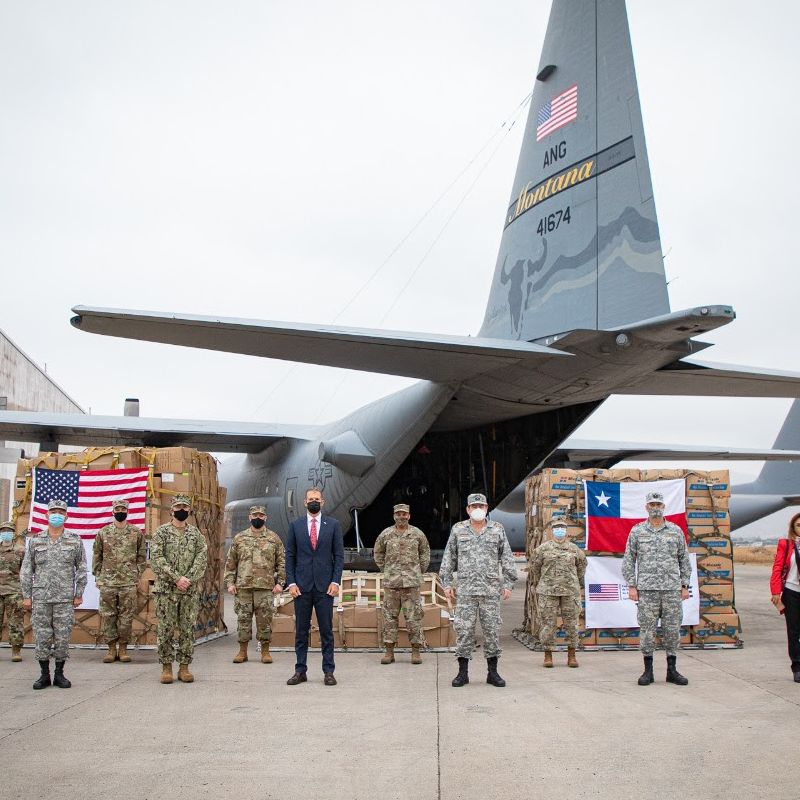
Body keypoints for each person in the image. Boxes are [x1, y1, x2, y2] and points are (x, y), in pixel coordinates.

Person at [439, 493, 518, 688]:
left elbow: (507, 558)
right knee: (464, 632)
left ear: (487, 508)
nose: (477, 509)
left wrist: (508, 584)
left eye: (481, 506)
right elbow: (449, 558)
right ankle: (462, 673)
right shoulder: (458, 530)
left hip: (490, 592)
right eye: (474, 505)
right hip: (465, 591)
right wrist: (447, 584)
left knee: (492, 632)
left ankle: (493, 673)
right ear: (467, 509)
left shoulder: (497, 529)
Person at [622, 491, 691, 686]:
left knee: (672, 630)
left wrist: (684, 585)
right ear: (646, 507)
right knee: (647, 631)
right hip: (647, 591)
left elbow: (683, 559)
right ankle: (648, 671)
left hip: (671, 590)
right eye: (652, 505)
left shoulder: (675, 530)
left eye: (658, 505)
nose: (655, 508)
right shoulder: (637, 531)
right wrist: (632, 586)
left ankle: (672, 671)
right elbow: (629, 559)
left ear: (664, 507)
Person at [20, 499, 87, 690]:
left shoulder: (74, 539)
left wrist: (79, 593)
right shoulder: (36, 540)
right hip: (41, 597)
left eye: (60, 512)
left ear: (66, 516)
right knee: (42, 636)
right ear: (46, 515)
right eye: (53, 512)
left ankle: (59, 674)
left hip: (64, 598)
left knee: (62, 636)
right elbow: (27, 570)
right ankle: (44, 675)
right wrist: (27, 595)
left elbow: (81, 568)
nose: (57, 515)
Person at [285, 488, 344, 686]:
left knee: (326, 631)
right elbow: (290, 557)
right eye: (310, 499)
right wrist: (291, 582)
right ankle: (300, 670)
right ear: (304, 502)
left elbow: (339, 556)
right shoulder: (295, 526)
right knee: (301, 632)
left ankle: (329, 671)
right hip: (301, 587)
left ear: (323, 502)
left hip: (324, 587)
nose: (313, 502)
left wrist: (335, 581)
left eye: (317, 499)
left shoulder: (333, 525)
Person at [150, 494, 208, 685]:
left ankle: (184, 667)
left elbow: (202, 559)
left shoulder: (196, 535)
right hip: (166, 591)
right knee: (165, 629)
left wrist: (188, 579)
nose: (181, 510)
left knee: (186, 630)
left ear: (189, 510)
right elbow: (157, 559)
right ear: (171, 510)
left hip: (189, 591)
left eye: (185, 506)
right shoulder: (161, 533)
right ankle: (166, 666)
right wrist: (176, 578)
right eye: (178, 506)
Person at [224, 504, 286, 664]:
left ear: (265, 518)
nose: (257, 518)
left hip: (265, 587)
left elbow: (282, 562)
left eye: (261, 516)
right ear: (249, 517)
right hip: (243, 587)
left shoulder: (274, 538)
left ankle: (265, 651)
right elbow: (231, 563)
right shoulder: (240, 538)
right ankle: (242, 652)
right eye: (255, 515)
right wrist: (230, 582)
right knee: (243, 621)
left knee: (265, 621)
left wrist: (280, 583)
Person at [373, 503, 431, 665]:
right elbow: (378, 553)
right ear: (394, 516)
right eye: (398, 514)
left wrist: (417, 571)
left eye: (404, 514)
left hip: (411, 584)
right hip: (392, 584)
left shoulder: (417, 534)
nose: (401, 517)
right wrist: (387, 569)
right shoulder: (386, 534)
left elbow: (425, 553)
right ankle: (389, 652)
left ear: (409, 516)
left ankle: (416, 651)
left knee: (414, 617)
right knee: (389, 617)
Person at [92, 498, 147, 663]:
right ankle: (110, 649)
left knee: (126, 616)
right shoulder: (103, 533)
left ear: (127, 511)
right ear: (113, 511)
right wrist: (98, 577)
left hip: (128, 582)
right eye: (118, 510)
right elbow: (97, 555)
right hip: (108, 582)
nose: (120, 512)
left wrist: (137, 574)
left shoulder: (136, 533)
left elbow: (142, 556)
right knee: (108, 616)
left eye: (123, 510)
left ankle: (123, 648)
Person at [530, 520, 586, 668]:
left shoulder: (574, 549)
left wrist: (573, 581)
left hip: (569, 591)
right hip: (548, 591)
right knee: (548, 623)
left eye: (562, 527)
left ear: (567, 531)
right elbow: (535, 568)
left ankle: (572, 655)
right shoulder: (542, 549)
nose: (559, 530)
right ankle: (548, 655)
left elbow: (581, 568)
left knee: (572, 624)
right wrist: (546, 581)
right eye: (556, 528)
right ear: (551, 531)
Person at [769, 512, 800, 682]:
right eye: (798, 525)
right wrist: (775, 592)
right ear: (793, 528)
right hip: (792, 592)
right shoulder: (786, 544)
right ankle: (797, 667)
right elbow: (777, 568)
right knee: (794, 631)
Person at [0, 519, 25, 662]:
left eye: (8, 531)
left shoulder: (20, 550)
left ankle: (16, 651)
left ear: (13, 534)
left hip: (14, 591)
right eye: (3, 531)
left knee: (15, 622)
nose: (6, 534)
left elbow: (26, 571)